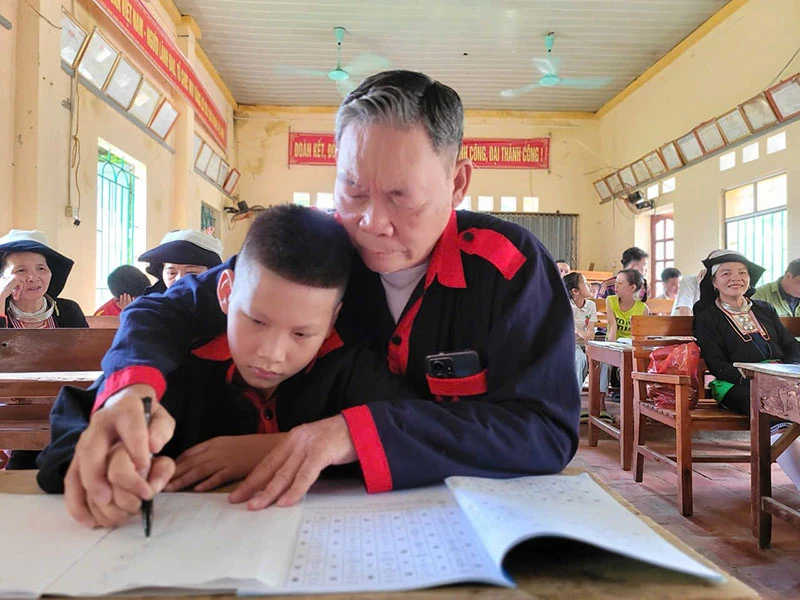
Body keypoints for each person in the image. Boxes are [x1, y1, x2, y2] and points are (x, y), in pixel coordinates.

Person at [63, 70, 580, 516]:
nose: (371, 223)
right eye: (353, 191)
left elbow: (544, 430)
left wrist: (348, 434)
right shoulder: (323, 247)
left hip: (471, 516)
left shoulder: (507, 267)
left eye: (401, 196)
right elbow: (167, 311)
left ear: (458, 182)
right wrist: (128, 393)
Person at [38, 206, 416, 527]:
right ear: (225, 292)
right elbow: (65, 446)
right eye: (256, 321)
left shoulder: (348, 366)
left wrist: (280, 448)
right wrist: (107, 465)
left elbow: (415, 431)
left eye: (302, 334)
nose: (271, 353)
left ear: (332, 321)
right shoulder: (171, 364)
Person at [693, 249, 800, 490]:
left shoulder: (764, 309)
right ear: (713, 282)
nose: (736, 278)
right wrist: (759, 379)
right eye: (726, 273)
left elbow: (791, 346)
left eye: (742, 272)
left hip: (781, 378)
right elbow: (717, 364)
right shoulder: (707, 317)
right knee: (774, 408)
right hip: (735, 383)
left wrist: (789, 370)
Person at [0, 229, 88, 470]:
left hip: (62, 405)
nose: (33, 277)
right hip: (10, 408)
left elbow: (85, 362)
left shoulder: (68, 311)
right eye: (20, 270)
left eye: (41, 268)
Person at [597, 269, 650, 419]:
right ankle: (600, 403)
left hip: (630, 347)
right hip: (614, 343)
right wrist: (611, 349)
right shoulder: (611, 301)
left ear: (632, 287)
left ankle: (627, 408)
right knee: (604, 364)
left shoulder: (643, 309)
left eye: (620, 283)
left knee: (629, 367)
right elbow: (612, 327)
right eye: (616, 283)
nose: (616, 286)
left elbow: (641, 337)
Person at [139, 229, 223, 293]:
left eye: (191, 273)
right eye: (172, 273)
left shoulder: (225, 308)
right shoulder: (151, 308)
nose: (179, 279)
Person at [563, 272, 596, 424]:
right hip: (568, 344)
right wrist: (578, 332)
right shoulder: (565, 305)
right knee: (579, 359)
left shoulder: (591, 305)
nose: (589, 285)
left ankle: (599, 405)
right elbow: (566, 329)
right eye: (584, 283)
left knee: (601, 361)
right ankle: (573, 403)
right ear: (575, 291)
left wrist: (587, 340)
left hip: (585, 344)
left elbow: (590, 333)